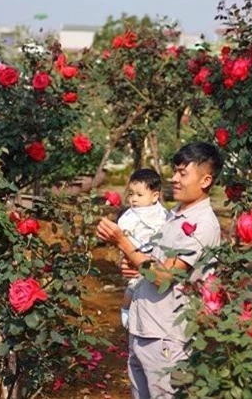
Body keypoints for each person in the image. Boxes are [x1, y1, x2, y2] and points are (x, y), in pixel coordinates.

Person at [97, 142, 223, 399]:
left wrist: (123, 242)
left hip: (167, 337)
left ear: (205, 180)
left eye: (182, 173)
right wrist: (135, 265)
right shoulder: (173, 215)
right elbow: (154, 266)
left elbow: (164, 277)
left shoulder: (201, 224)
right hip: (144, 328)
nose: (174, 179)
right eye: (175, 171)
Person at [118, 168, 169, 329]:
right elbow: (122, 235)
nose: (133, 199)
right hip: (136, 257)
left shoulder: (162, 215)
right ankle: (126, 310)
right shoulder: (130, 216)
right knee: (133, 288)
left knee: (155, 292)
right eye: (131, 194)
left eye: (139, 195)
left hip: (156, 259)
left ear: (155, 196)